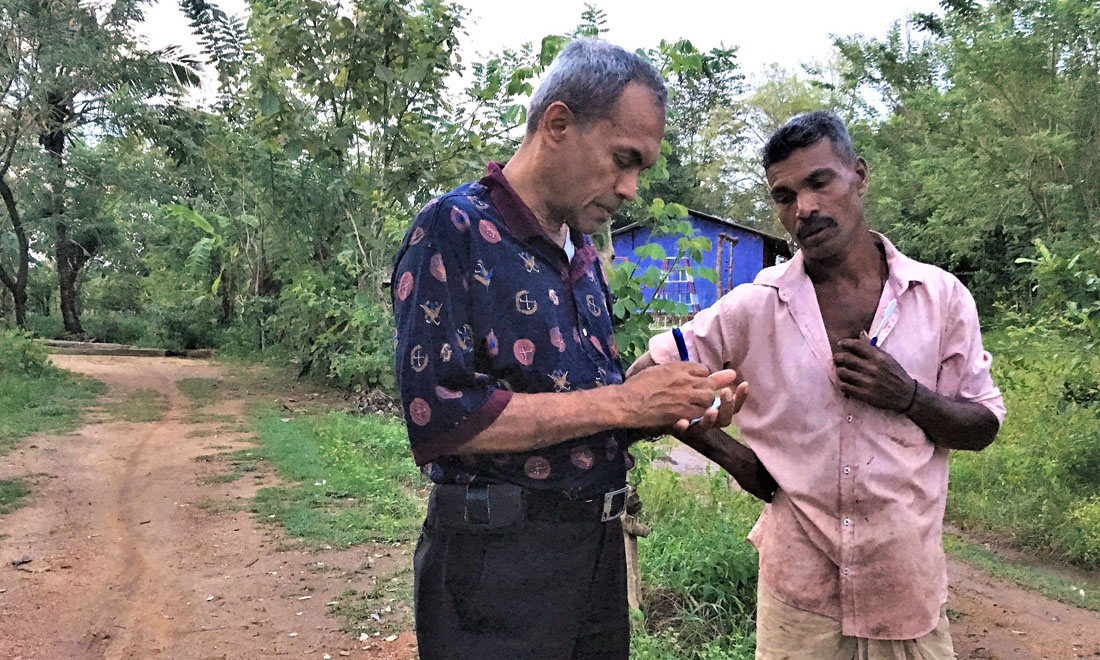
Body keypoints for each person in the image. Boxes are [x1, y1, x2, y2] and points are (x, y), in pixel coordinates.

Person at [390, 39, 740, 660]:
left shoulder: (582, 252)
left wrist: (669, 403)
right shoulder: (454, 227)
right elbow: (439, 417)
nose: (630, 188)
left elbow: (581, 407)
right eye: (622, 159)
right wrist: (624, 404)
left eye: (641, 170)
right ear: (557, 123)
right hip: (495, 566)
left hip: (594, 557)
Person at [629, 110, 1005, 659]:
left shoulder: (941, 298)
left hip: (904, 587)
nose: (804, 208)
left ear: (860, 175)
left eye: (819, 182)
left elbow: (983, 424)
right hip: (797, 599)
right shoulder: (755, 307)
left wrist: (909, 397)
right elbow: (644, 379)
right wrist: (736, 459)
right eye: (784, 196)